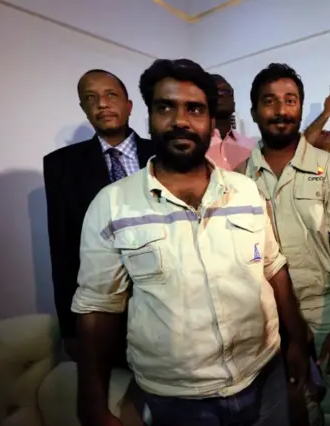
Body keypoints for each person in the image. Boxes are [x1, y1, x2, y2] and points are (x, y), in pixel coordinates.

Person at [71, 59, 309, 426]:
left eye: (194, 109)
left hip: (264, 376)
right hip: (178, 400)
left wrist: (296, 341)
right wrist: (92, 400)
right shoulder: (112, 204)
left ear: (211, 120)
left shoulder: (245, 191)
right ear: (149, 115)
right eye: (166, 107)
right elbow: (97, 309)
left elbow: (274, 268)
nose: (181, 120)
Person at [236, 63, 330, 426]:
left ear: (300, 106)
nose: (280, 111)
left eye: (290, 101)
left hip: (326, 306)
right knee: (295, 402)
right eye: (269, 102)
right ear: (255, 112)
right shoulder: (236, 181)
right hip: (269, 315)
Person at [44, 69, 154, 363]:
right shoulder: (60, 166)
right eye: (90, 98)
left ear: (129, 105)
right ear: (84, 109)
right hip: (102, 310)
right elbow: (62, 249)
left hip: (165, 305)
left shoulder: (162, 153)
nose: (102, 104)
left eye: (110, 95)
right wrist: (70, 328)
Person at [206, 73, 256, 170]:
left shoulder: (251, 147)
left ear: (233, 101)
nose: (220, 95)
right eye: (215, 92)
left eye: (225, 92)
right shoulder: (197, 147)